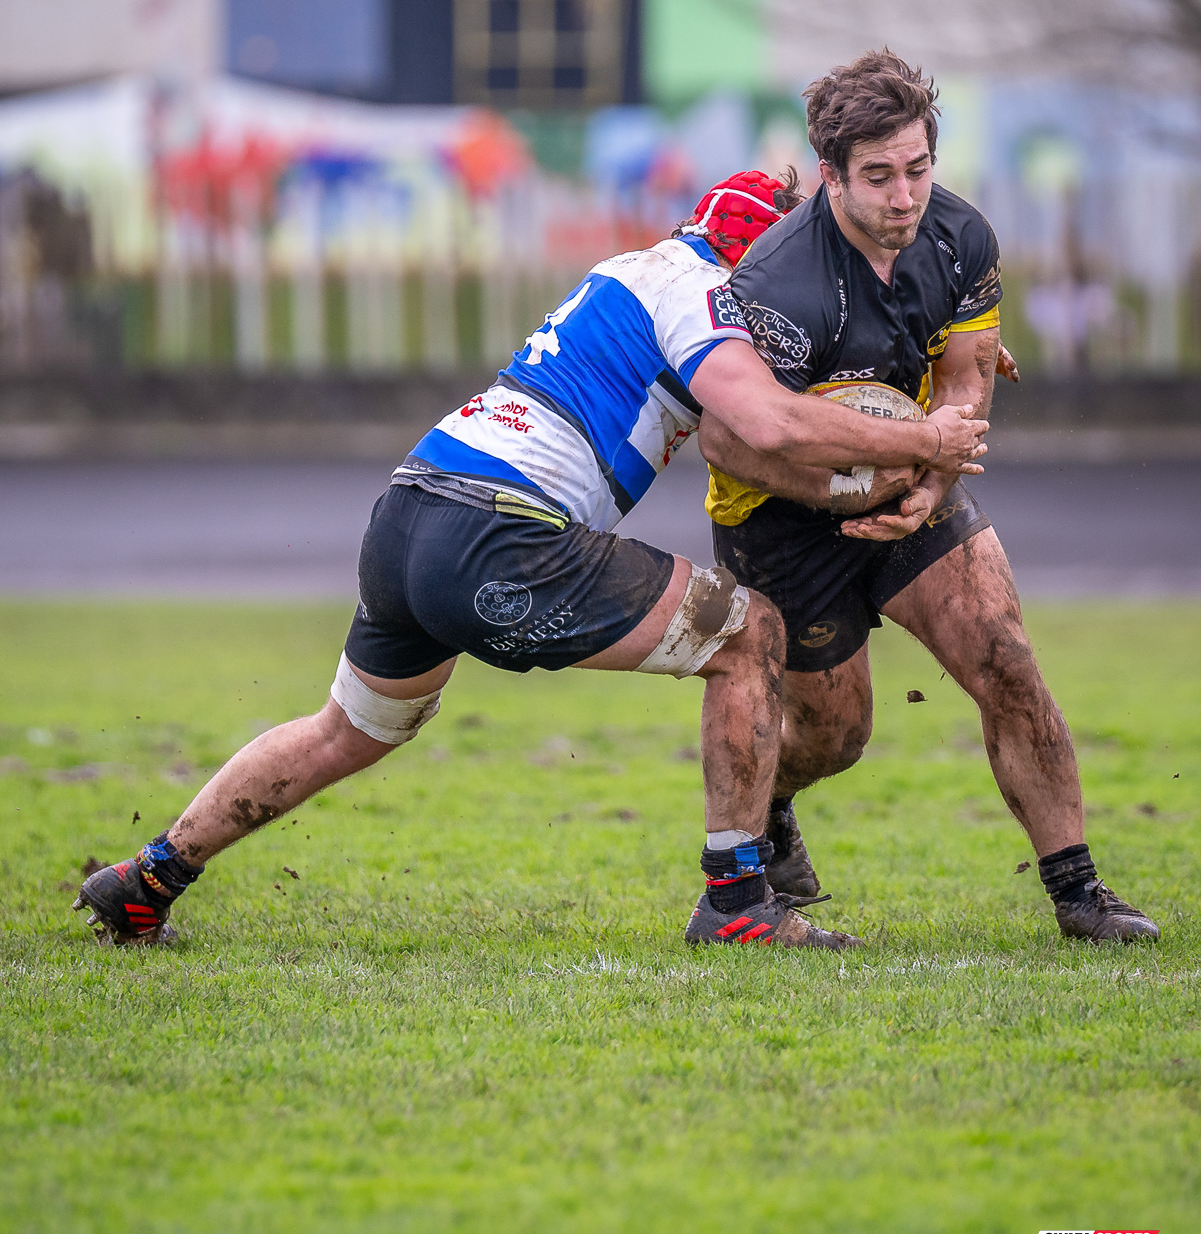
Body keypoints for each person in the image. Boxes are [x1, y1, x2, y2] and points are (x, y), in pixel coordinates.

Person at [75, 171, 987, 953]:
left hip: (411, 512)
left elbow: (808, 362)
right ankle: (738, 905)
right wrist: (932, 439)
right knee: (749, 633)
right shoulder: (702, 292)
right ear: (750, 259)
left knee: (346, 730)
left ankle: (146, 879)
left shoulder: (631, 270)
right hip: (499, 533)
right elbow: (771, 422)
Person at [701, 52, 1158, 945]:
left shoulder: (960, 239)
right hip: (779, 519)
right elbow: (730, 443)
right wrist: (855, 483)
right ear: (829, 175)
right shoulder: (779, 286)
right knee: (837, 735)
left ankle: (1078, 893)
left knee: (1004, 658)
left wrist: (930, 483)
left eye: (917, 169)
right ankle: (777, 801)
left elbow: (965, 380)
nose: (902, 196)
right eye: (876, 176)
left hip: (912, 483)